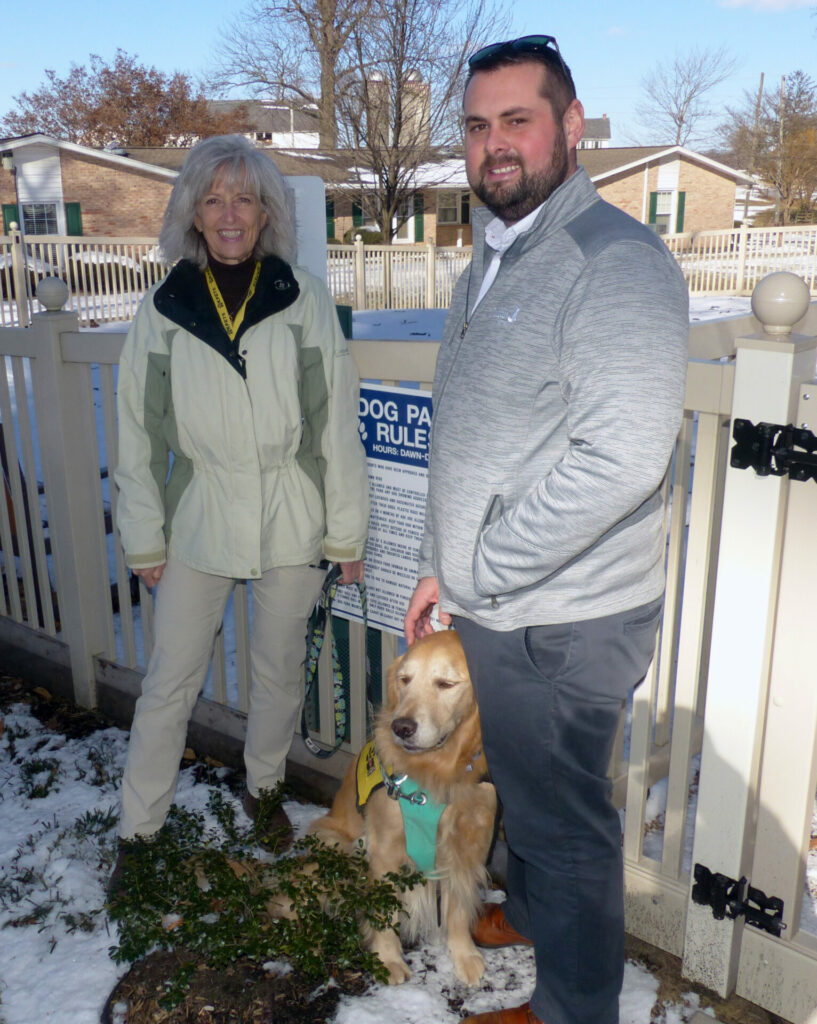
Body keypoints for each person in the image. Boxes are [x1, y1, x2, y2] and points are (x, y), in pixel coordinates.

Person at [404, 36, 689, 1024]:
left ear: (570, 126)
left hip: (564, 616)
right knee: (526, 794)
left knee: (564, 825)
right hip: (501, 600)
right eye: (476, 125)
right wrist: (443, 564)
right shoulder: (493, 256)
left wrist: (482, 563)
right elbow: (473, 436)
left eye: (516, 120)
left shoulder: (613, 262)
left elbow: (621, 458)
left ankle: (573, 1006)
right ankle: (526, 916)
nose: (493, 144)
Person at [112, 135, 368, 869]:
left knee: (278, 673)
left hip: (292, 515)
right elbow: (135, 429)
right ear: (193, 213)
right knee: (169, 684)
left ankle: (263, 789)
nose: (230, 214)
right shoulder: (164, 306)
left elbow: (333, 420)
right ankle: (138, 833)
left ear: (266, 212)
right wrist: (144, 538)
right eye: (214, 199)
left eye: (245, 199)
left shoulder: (301, 298)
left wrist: (346, 535)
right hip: (198, 516)